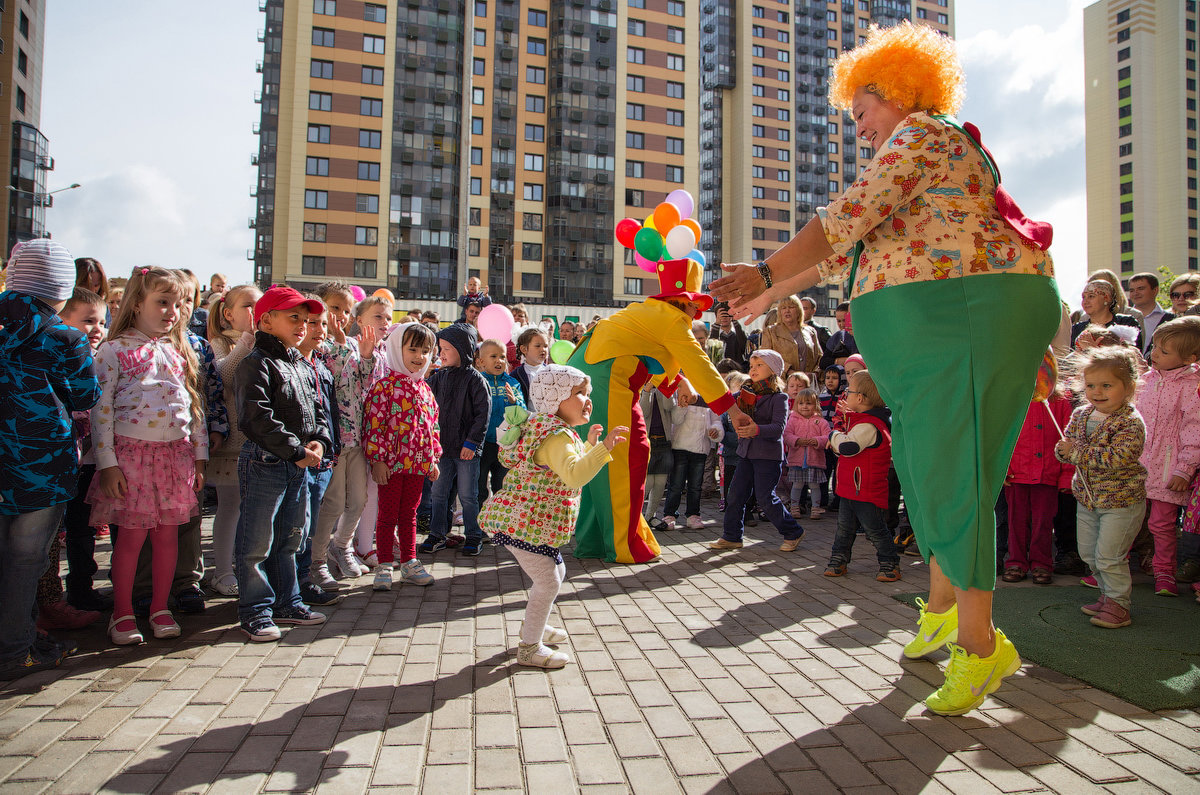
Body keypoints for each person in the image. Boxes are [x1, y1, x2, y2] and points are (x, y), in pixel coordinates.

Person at [710, 21, 1060, 715]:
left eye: (862, 111)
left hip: (962, 312)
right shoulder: (919, 162)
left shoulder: (924, 135)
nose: (859, 128)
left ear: (898, 91)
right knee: (934, 473)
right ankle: (940, 606)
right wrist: (762, 291)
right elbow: (839, 253)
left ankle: (983, 645)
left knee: (949, 473)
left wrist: (762, 270)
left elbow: (843, 219)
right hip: (955, 316)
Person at [567, 257, 744, 563]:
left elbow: (652, 357)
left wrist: (680, 384)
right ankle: (622, 544)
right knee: (625, 457)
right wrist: (733, 409)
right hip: (606, 380)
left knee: (603, 458)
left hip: (593, 376)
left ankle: (594, 539)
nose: (695, 314)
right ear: (681, 302)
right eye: (694, 306)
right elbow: (699, 363)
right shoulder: (671, 319)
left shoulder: (648, 312)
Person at [478, 365, 628, 668]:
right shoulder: (556, 436)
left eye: (588, 393)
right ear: (555, 399)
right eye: (578, 394)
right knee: (548, 581)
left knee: (554, 576)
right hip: (524, 524)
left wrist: (589, 446)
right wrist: (604, 449)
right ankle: (529, 647)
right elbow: (574, 475)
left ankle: (535, 623)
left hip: (526, 521)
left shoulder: (549, 429)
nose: (588, 399)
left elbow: (564, 468)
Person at [87, 267, 207, 645]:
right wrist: (107, 464)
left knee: (168, 537)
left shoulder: (177, 349)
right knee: (131, 540)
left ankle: (160, 606)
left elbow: (192, 404)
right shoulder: (114, 349)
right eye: (162, 302)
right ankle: (121, 612)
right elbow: (100, 410)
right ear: (137, 303)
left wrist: (199, 456)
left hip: (175, 456)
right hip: (132, 456)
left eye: (178, 303)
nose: (172, 310)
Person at [0, 241, 101, 678]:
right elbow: (85, 395)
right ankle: (15, 650)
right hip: (39, 466)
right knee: (26, 561)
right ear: (60, 289)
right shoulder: (64, 336)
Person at [234, 286, 334, 641]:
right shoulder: (256, 364)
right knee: (257, 541)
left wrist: (319, 441)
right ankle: (256, 610)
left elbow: (319, 413)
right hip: (267, 463)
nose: (303, 325)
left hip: (299, 464)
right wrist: (294, 449)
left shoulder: (303, 366)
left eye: (306, 320)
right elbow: (255, 417)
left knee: (292, 537)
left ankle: (287, 602)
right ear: (265, 320)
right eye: (294, 317)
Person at [1054, 347, 1147, 627]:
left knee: (1109, 555)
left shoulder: (1130, 422)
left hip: (1121, 502)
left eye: (1107, 385)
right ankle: (1107, 596)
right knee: (1089, 553)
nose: (1097, 391)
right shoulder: (1082, 414)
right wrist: (1062, 450)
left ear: (1128, 387)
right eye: (1091, 385)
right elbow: (1066, 446)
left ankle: (1119, 605)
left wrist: (1075, 453)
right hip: (1088, 499)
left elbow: (1117, 458)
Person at [364, 323, 439, 590]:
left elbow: (433, 426)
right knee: (387, 515)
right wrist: (378, 459)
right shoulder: (383, 387)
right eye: (413, 349)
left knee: (409, 514)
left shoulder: (425, 389)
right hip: (392, 465)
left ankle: (409, 562)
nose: (419, 356)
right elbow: (374, 425)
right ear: (397, 349)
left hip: (417, 465)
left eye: (425, 351)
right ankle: (385, 565)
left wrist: (433, 458)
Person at [315, 282, 381, 583]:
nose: (340, 315)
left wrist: (366, 356)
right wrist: (342, 346)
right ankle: (316, 559)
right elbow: (332, 376)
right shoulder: (317, 343)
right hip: (334, 438)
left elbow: (366, 382)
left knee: (358, 500)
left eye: (345, 310)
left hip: (357, 436)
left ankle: (341, 547)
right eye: (334, 308)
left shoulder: (354, 344)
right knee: (333, 501)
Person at [709, 350, 806, 552]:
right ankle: (732, 536)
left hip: (768, 457)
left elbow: (779, 428)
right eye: (752, 366)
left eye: (759, 365)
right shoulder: (744, 394)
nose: (753, 369)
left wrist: (757, 429)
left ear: (773, 370)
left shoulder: (779, 398)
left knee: (765, 498)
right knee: (735, 496)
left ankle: (793, 532)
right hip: (746, 454)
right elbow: (724, 400)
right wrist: (694, 397)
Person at [1135, 317, 1200, 596]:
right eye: (1155, 347)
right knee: (1128, 519)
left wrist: (1184, 469)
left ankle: (1165, 573)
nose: (1155, 355)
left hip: (1168, 468)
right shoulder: (1146, 380)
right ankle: (1111, 568)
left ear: (1189, 358)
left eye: (1164, 351)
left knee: (1161, 525)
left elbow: (1194, 430)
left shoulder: (1192, 386)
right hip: (1136, 466)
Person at [205, 285, 263, 595]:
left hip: (258, 441)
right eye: (249, 306)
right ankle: (222, 571)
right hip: (232, 445)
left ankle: (247, 568)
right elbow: (226, 375)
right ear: (228, 314)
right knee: (230, 507)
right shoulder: (221, 342)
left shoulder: (264, 342)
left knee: (252, 510)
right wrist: (247, 340)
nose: (256, 311)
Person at [418, 322, 491, 556]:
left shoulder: (475, 380)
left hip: (466, 450)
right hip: (442, 449)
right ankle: (438, 533)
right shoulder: (437, 379)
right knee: (439, 494)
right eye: (440, 348)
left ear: (462, 349)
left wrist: (472, 443)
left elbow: (482, 415)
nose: (441, 353)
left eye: (446, 348)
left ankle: (474, 535)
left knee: (468, 496)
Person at [821, 370, 900, 581]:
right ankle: (838, 560)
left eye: (849, 391)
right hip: (851, 487)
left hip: (866, 489)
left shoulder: (868, 425)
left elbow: (847, 446)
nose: (845, 394)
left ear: (861, 398)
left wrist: (833, 434)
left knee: (876, 530)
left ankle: (889, 564)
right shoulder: (859, 420)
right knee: (844, 529)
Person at [292, 299, 342, 608]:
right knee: (295, 526)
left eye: (324, 324)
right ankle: (293, 584)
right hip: (298, 457)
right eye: (314, 323)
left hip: (322, 457)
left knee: (308, 524)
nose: (320, 330)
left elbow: (328, 413)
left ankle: (303, 579)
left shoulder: (321, 365)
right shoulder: (290, 365)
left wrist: (328, 446)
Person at [1002, 391, 1074, 585]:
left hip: (1047, 472)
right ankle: (1016, 562)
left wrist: (1067, 475)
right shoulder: (1010, 397)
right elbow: (1000, 434)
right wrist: (1003, 468)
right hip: (1016, 473)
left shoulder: (1060, 401)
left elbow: (1068, 438)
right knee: (1016, 521)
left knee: (1043, 523)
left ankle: (1042, 563)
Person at [476, 338, 526, 510]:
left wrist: (514, 402)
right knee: (480, 489)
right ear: (482, 361)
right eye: (494, 356)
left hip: (505, 444)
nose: (499, 361)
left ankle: (501, 532)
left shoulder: (512, 383)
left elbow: (522, 413)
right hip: (483, 444)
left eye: (503, 357)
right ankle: (478, 529)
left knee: (503, 489)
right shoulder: (477, 382)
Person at [663, 391, 721, 530]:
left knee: (695, 486)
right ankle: (669, 514)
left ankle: (693, 515)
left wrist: (715, 430)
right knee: (676, 485)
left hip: (700, 449)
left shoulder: (709, 393)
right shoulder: (682, 391)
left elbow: (717, 420)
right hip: (680, 447)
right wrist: (682, 406)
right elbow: (675, 419)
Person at [784, 388, 831, 521]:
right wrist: (797, 440)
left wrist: (816, 441)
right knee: (797, 484)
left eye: (808, 403)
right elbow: (787, 435)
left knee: (814, 485)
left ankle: (816, 508)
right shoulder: (792, 420)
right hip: (797, 460)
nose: (804, 406)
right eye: (801, 403)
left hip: (814, 460)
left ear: (815, 405)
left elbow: (828, 436)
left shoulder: (821, 421)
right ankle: (794, 507)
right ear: (796, 404)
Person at [639, 383, 676, 529]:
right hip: (647, 442)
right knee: (647, 482)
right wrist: (647, 390)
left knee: (661, 482)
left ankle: (650, 516)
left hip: (664, 441)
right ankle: (637, 516)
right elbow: (643, 412)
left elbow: (669, 406)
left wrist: (665, 388)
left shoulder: (664, 388)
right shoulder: (641, 389)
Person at [759, 295, 822, 379]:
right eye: (783, 308)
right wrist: (789, 371)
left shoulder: (810, 331)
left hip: (808, 383)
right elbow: (765, 357)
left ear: (799, 310)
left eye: (791, 307)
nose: (787, 311)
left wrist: (815, 374)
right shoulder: (770, 332)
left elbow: (820, 356)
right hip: (782, 383)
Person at [1070, 281, 1142, 350]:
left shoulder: (1125, 323)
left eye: (1091, 296)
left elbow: (1133, 355)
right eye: (1083, 297)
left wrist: (1091, 350)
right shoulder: (1077, 329)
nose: (1085, 301)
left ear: (1107, 298)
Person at [1126, 272, 1174, 357]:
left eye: (1140, 288)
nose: (1135, 293)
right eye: (1132, 290)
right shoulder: (1122, 318)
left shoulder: (1171, 319)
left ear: (1155, 290)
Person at [511, 325, 549, 405]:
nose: (543, 349)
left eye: (545, 346)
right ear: (524, 349)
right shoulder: (516, 375)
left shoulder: (551, 371)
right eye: (537, 346)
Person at [711, 301, 750, 372]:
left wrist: (735, 320)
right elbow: (712, 353)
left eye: (727, 314)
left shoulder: (739, 333)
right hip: (720, 373)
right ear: (716, 316)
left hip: (738, 373)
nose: (725, 317)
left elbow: (745, 349)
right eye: (722, 314)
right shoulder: (714, 334)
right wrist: (716, 325)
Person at [824, 302, 857, 366]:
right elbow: (823, 362)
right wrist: (839, 361)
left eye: (844, 320)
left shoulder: (863, 336)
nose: (842, 324)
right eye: (839, 321)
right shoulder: (837, 336)